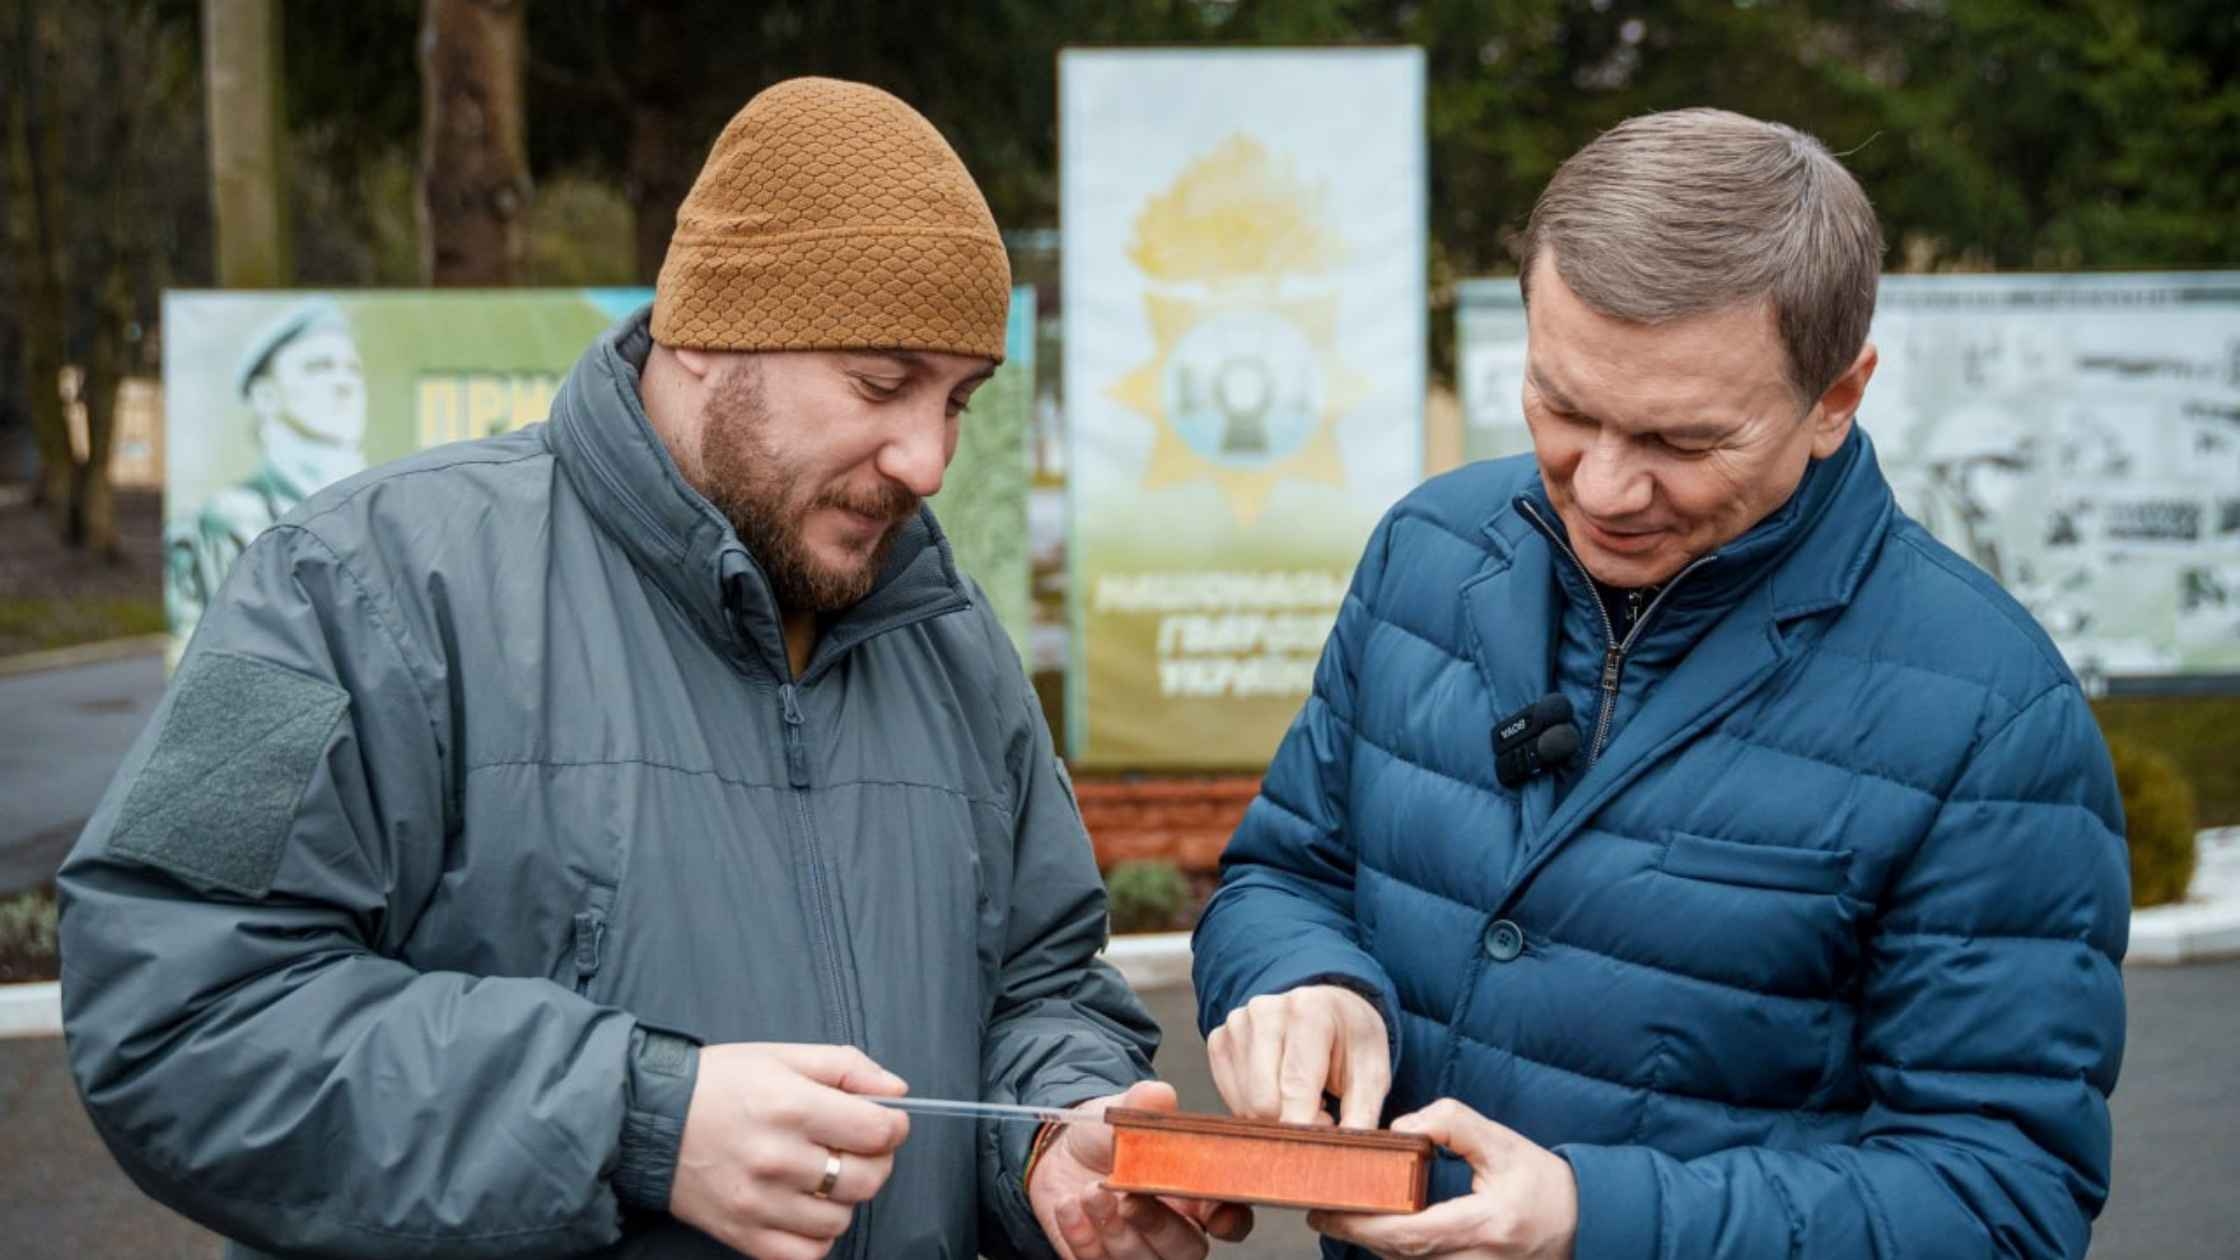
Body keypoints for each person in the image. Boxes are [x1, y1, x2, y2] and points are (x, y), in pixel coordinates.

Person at [64, 78, 1248, 1260]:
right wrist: (631, 1116)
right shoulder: (334, 581)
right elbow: (170, 1010)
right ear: (700, 334)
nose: (926, 459)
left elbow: (1040, 983)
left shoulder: (951, 640)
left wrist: (1050, 1142)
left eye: (959, 402)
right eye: (880, 385)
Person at [1191, 108, 2127, 1260]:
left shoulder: (1990, 716)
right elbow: (1285, 872)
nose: (1604, 488)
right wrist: (1300, 977)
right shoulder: (1424, 552)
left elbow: (2000, 1202)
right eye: (1561, 405)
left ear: (1835, 397)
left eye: (1680, 442)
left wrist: (1595, 1220)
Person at [164, 298, 370, 647]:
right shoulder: (222, 524)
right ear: (265, 396)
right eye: (319, 367)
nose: (344, 383)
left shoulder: (382, 513)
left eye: (353, 369)